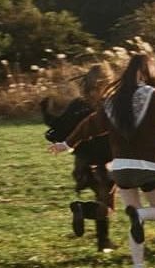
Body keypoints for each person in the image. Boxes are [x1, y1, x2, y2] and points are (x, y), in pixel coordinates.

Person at [49, 52, 155, 268]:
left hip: (121, 169)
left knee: (130, 214)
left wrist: (66, 143)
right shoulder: (153, 96)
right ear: (147, 72)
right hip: (148, 167)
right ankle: (139, 219)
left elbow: (91, 125)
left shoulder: (112, 102)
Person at [42, 63, 116, 253]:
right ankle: (82, 210)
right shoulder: (108, 105)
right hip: (104, 164)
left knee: (102, 200)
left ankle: (103, 242)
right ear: (106, 82)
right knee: (107, 206)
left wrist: (47, 111)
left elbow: (58, 129)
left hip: (83, 164)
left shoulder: (77, 105)